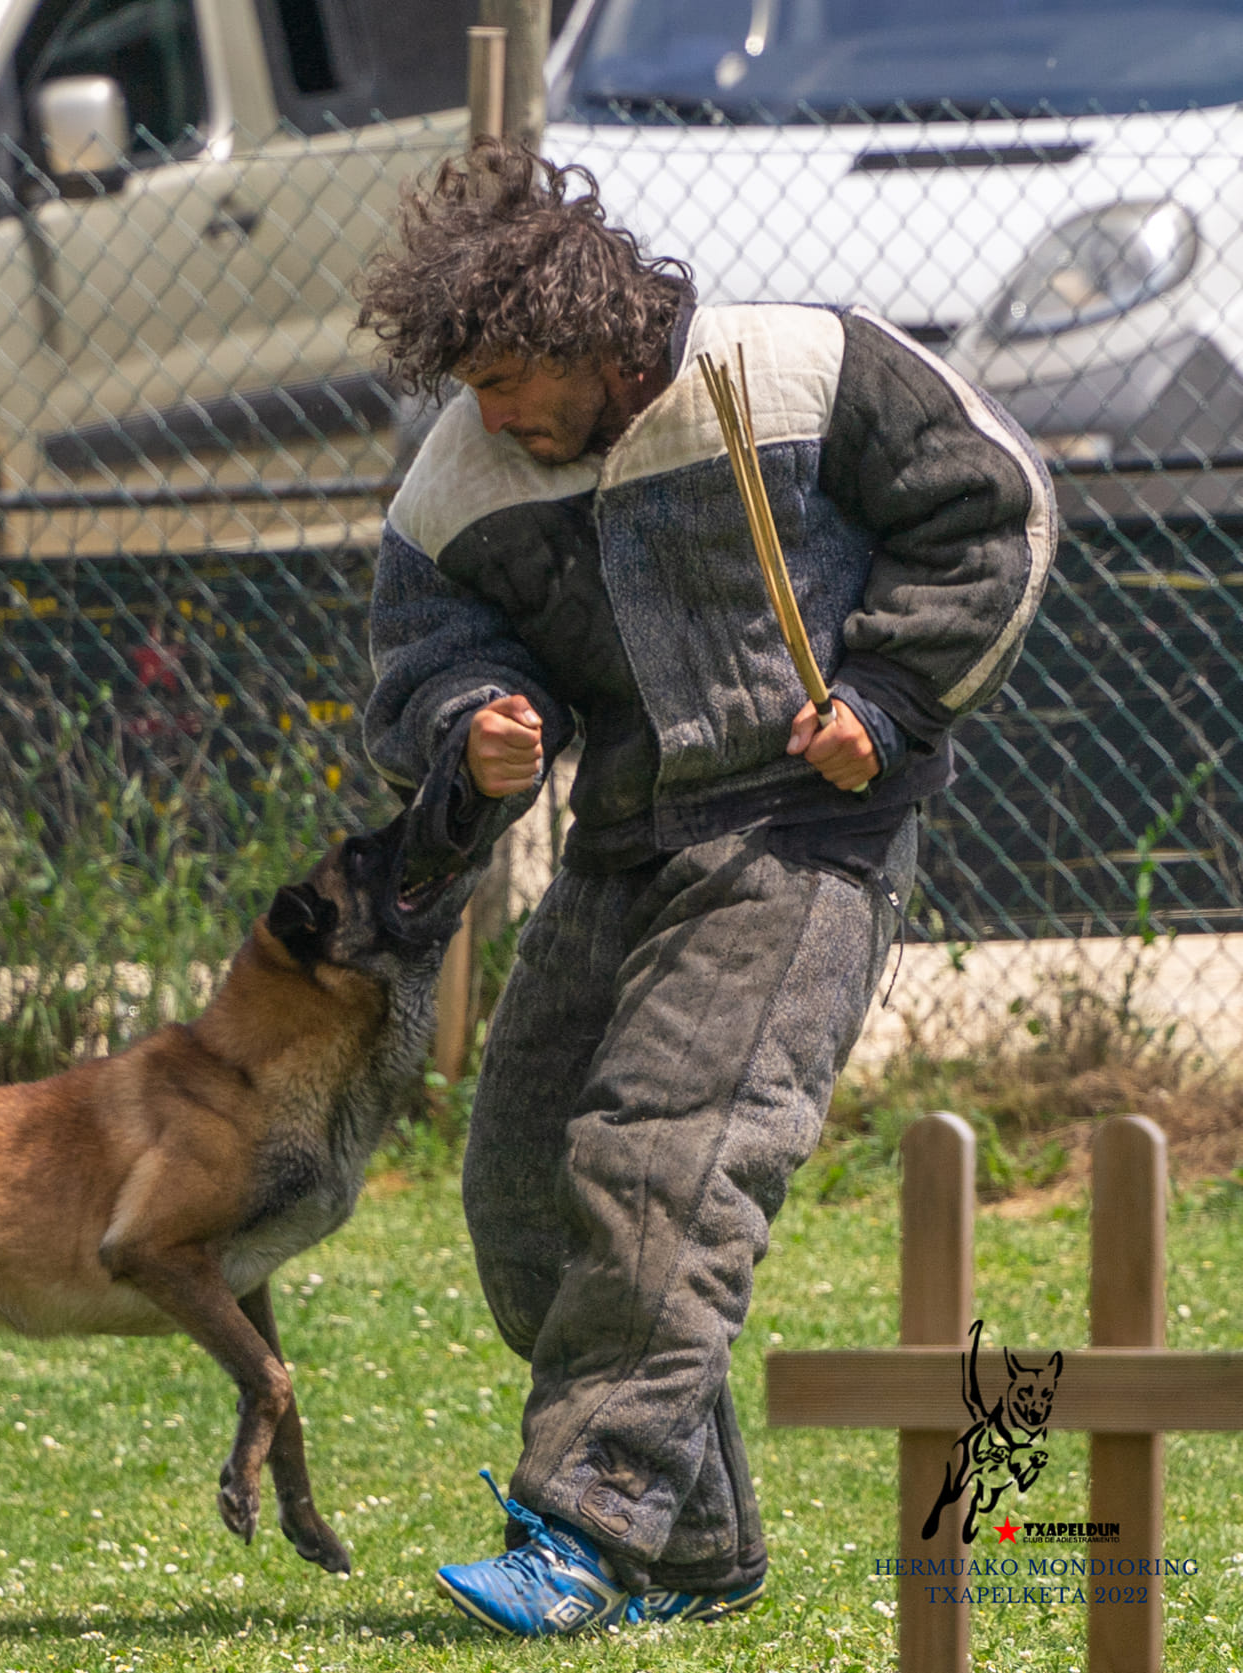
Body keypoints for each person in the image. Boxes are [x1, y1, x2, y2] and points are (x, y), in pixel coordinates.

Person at [356, 141, 1054, 1638]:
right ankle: (691, 1545)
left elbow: (994, 505)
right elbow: (424, 642)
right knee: (525, 1186)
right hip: (624, 845)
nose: (489, 415)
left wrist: (887, 693)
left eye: (507, 380)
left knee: (666, 1159)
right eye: (467, 386)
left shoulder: (807, 370)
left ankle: (583, 1530)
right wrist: (471, 720)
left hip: (811, 835)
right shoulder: (462, 474)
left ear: (599, 336)